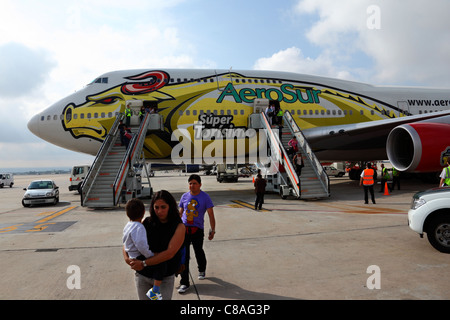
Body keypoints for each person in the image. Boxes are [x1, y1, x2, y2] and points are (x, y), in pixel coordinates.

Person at [123, 190, 185, 300]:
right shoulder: (146, 222)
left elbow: (169, 253)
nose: (159, 211)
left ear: (170, 207)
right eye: (156, 207)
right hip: (143, 276)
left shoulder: (179, 226)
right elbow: (128, 241)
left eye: (163, 207)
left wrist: (143, 263)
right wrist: (127, 259)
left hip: (163, 278)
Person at [178, 174, 216, 293]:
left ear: (200, 184)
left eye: (194, 183)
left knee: (198, 251)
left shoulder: (205, 197)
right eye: (190, 183)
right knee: (184, 255)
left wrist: (212, 230)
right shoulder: (184, 196)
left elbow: (210, 214)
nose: (192, 186)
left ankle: (202, 269)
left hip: (197, 230)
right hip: (184, 230)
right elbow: (180, 213)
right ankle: (184, 282)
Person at [123, 198, 163, 300]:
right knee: (161, 264)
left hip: (131, 254)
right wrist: (150, 255)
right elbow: (141, 245)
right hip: (139, 255)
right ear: (143, 212)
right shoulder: (139, 227)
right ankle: (155, 291)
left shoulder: (128, 225)